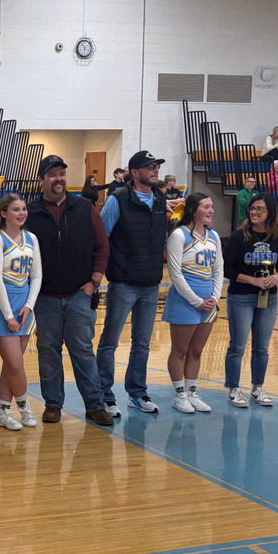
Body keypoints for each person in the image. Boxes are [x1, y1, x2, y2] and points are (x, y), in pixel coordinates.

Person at [26, 155, 113, 426]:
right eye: (52, 174)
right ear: (42, 180)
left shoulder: (85, 208)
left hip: (79, 295)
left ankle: (95, 405)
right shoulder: (30, 213)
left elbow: (102, 248)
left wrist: (94, 283)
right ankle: (53, 405)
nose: (59, 179)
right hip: (45, 298)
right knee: (48, 352)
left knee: (83, 351)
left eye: (62, 173)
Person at [97, 150, 170, 416]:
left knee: (143, 343)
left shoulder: (160, 198)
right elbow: (101, 239)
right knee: (110, 342)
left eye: (156, 166)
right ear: (134, 171)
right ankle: (104, 395)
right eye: (149, 167)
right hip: (124, 282)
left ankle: (137, 393)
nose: (154, 170)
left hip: (151, 284)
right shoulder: (117, 200)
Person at [222, 194, 278, 408]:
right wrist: (252, 280)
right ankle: (233, 389)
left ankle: (257, 388)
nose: (254, 212)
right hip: (241, 296)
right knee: (238, 346)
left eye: (260, 209)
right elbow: (226, 268)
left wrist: (277, 277)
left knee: (262, 347)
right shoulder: (239, 236)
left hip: (269, 298)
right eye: (252, 208)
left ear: (270, 212)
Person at [161, 193, 223, 414]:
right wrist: (197, 301)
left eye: (212, 206)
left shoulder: (214, 236)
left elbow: (218, 269)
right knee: (180, 349)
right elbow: (175, 274)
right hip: (185, 302)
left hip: (208, 304)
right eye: (206, 206)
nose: (211, 211)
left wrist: (215, 298)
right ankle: (178, 395)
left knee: (196, 351)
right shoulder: (179, 235)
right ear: (193, 210)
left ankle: (191, 391)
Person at [0, 194, 42, 430]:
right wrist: (8, 316)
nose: (21, 213)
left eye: (24, 209)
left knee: (11, 365)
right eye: (16, 209)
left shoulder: (32, 238)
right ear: (4, 213)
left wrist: (29, 306)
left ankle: (2, 413)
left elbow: (36, 275)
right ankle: (25, 408)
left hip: (25, 311)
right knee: (16, 365)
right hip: (2, 309)